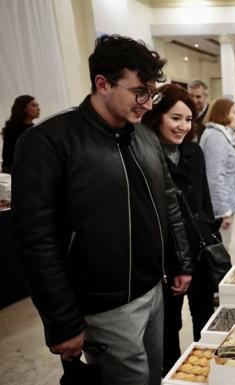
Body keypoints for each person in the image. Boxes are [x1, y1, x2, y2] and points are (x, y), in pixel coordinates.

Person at [12, 35, 192, 385]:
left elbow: (167, 202)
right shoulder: (50, 142)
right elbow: (36, 241)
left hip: (153, 289)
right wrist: (62, 322)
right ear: (103, 84)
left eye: (152, 93)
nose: (148, 104)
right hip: (105, 305)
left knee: (153, 376)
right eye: (140, 92)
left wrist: (180, 261)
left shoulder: (143, 136)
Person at [141, 84, 220, 374]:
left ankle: (211, 372)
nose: (183, 126)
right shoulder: (145, 155)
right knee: (168, 327)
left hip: (198, 251)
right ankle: (172, 375)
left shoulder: (193, 152)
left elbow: (204, 203)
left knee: (205, 317)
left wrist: (213, 241)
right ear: (157, 116)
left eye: (188, 119)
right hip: (166, 258)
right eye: (175, 118)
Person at [200, 98, 235, 249]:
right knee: (221, 250)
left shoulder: (223, 135)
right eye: (234, 112)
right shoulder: (216, 137)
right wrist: (223, 212)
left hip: (226, 201)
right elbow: (214, 177)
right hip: (221, 208)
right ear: (223, 114)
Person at [1, 95, 40, 173]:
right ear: (24, 109)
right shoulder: (12, 128)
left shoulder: (33, 127)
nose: (38, 109)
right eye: (34, 105)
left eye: (37, 106)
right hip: (14, 169)